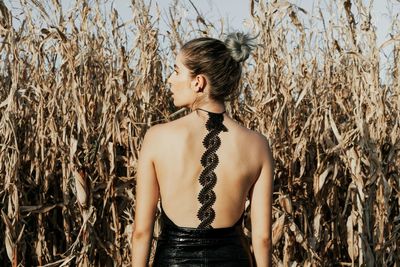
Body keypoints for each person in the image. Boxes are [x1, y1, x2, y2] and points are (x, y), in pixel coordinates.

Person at [131, 32, 274, 266]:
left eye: (176, 71)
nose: (170, 79)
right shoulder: (257, 145)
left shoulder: (157, 138)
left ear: (199, 82)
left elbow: (141, 232)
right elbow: (263, 239)